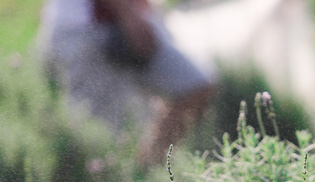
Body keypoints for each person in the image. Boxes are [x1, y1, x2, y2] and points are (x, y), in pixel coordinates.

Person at [38, 0, 215, 167]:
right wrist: (128, 14)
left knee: (195, 86)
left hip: (130, 19)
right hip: (88, 29)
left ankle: (146, 171)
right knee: (103, 135)